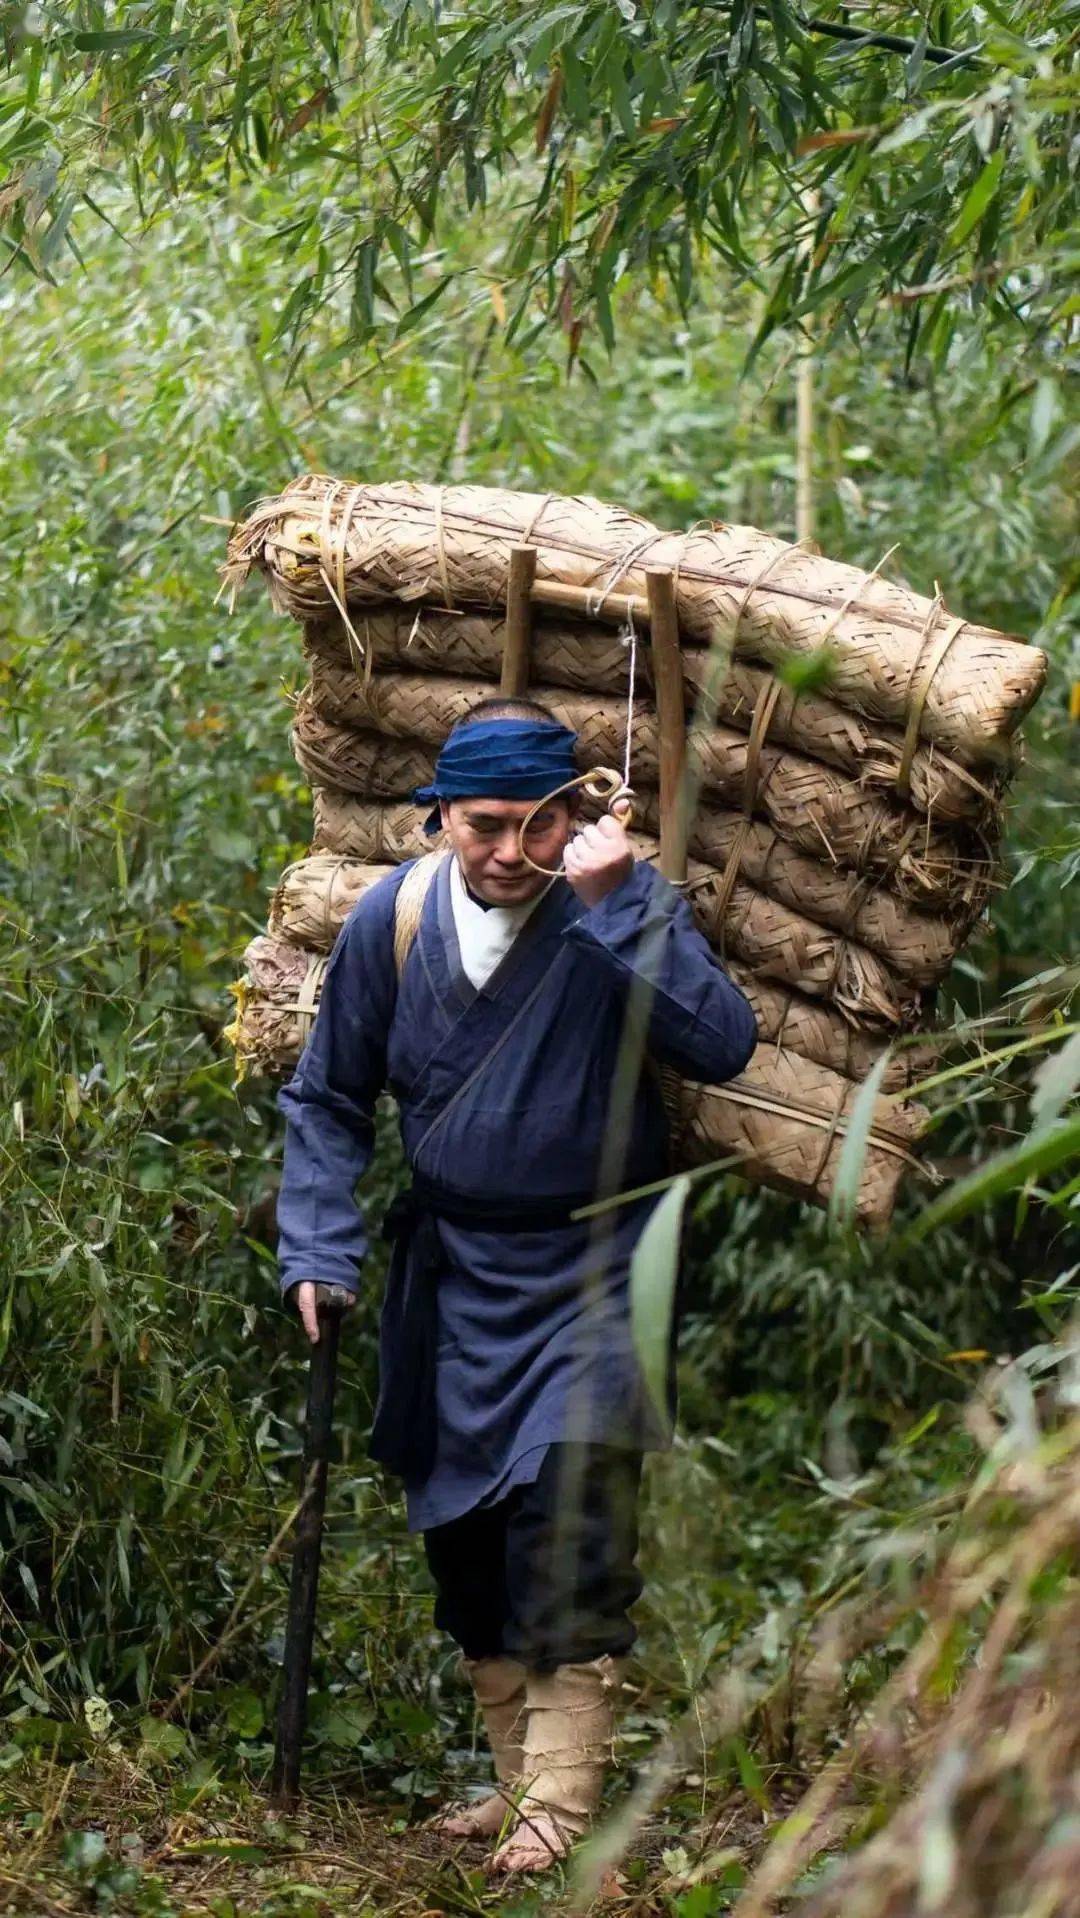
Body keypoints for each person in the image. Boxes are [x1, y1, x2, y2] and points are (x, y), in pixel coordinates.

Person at [276, 696, 758, 1874]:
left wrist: (620, 901)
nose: (507, 853)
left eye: (536, 828)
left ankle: (562, 1799)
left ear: (576, 818)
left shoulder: (615, 904)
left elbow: (724, 1039)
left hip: (596, 1268)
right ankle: (517, 1782)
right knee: (468, 1539)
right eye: (483, 825)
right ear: (437, 813)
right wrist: (319, 1246)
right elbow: (329, 1098)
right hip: (450, 1269)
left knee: (574, 1522)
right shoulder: (389, 921)